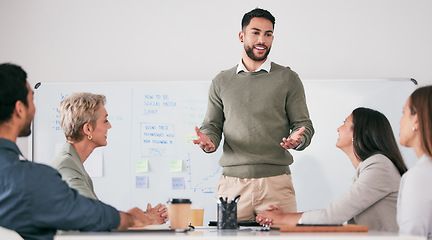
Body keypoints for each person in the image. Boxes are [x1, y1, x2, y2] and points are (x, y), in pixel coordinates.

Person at [0, 63, 156, 240]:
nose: (110, 126)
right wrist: (134, 219)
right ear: (20, 109)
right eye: (32, 99)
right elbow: (87, 216)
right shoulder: (32, 179)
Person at [192, 8, 314, 220]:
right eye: (255, 32)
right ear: (242, 36)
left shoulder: (288, 78)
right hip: (232, 187)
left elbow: (303, 124)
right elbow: (212, 126)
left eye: (268, 34)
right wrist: (209, 141)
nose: (262, 39)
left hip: (276, 184)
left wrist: (299, 139)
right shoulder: (221, 81)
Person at [256, 107, 408, 232]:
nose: (338, 128)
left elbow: (333, 215)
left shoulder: (379, 166)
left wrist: (282, 218)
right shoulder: (373, 166)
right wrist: (284, 216)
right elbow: (335, 215)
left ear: (358, 132)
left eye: (345, 122)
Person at [50, 92, 167, 223]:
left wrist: (145, 217)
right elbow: (94, 216)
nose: (109, 126)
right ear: (88, 129)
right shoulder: (66, 166)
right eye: (105, 120)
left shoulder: (72, 162)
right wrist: (145, 219)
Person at [397, 86, 432, 239]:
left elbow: (411, 236)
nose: (400, 121)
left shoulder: (420, 176)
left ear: (416, 120)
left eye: (403, 113)